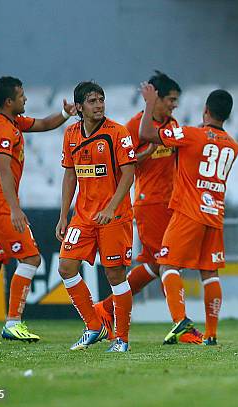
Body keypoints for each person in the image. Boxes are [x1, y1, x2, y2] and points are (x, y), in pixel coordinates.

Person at [92, 72, 201, 342]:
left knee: (156, 263)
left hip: (171, 202)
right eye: (171, 100)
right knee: (168, 261)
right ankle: (181, 325)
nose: (174, 105)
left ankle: (106, 308)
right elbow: (120, 166)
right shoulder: (134, 126)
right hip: (150, 202)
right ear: (158, 99)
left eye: (177, 100)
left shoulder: (172, 123)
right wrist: (143, 155)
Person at [0, 76, 76, 344]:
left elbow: (43, 124)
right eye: (21, 95)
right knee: (31, 259)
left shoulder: (4, 120)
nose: (26, 99)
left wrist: (66, 112)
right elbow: (3, 170)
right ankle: (13, 323)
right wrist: (15, 209)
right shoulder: (3, 131)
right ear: (9, 101)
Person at [138, 84, 238, 346]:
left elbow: (146, 133)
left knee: (167, 265)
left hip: (188, 211)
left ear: (205, 110)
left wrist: (150, 102)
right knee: (210, 272)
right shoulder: (233, 146)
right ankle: (212, 334)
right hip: (214, 214)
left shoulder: (191, 135)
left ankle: (180, 321)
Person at [56, 81, 136, 352]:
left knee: (115, 275)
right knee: (66, 266)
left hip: (115, 216)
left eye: (101, 99)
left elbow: (129, 173)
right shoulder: (71, 134)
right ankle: (94, 325)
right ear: (79, 107)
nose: (99, 105)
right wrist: (63, 215)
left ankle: (122, 339)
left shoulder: (117, 132)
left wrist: (111, 208)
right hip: (83, 216)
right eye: (92, 101)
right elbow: (70, 174)